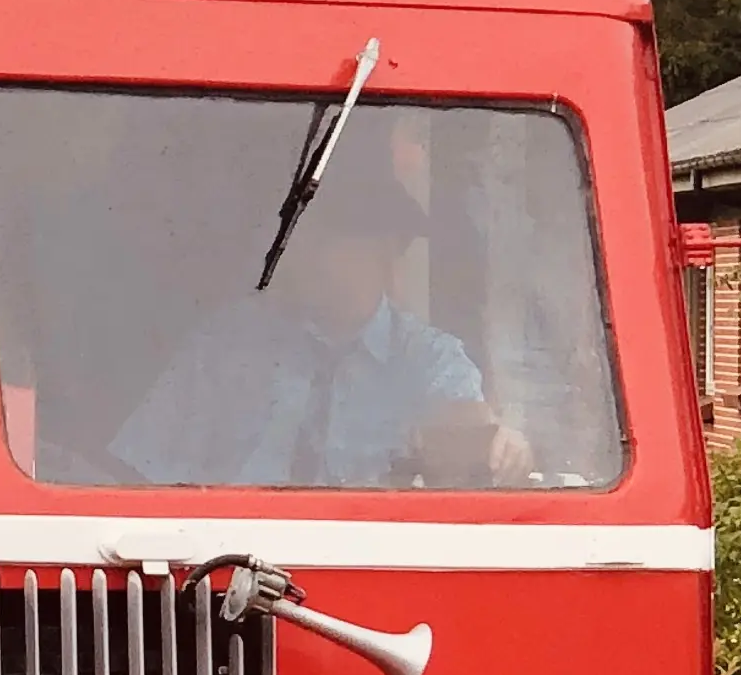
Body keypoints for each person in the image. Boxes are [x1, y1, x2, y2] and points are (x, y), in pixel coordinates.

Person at [107, 140, 526, 488]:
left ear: (384, 249)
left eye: (334, 234)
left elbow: (467, 438)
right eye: (303, 234)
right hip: (225, 566)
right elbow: (138, 471)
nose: (306, 252)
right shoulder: (226, 344)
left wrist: (501, 448)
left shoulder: (429, 361)